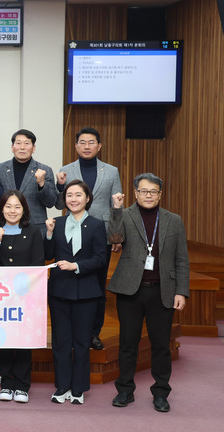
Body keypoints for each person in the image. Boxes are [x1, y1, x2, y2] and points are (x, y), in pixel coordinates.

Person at [108, 173, 189, 413]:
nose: (148, 195)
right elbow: (114, 238)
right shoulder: (125, 215)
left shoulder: (174, 220)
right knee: (128, 343)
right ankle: (125, 390)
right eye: (144, 191)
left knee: (161, 345)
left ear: (160, 194)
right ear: (135, 193)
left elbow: (181, 259)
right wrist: (116, 209)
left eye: (153, 191)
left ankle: (161, 392)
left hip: (163, 291)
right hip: (130, 291)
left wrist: (181, 291)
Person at [55, 127, 123, 350]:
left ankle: (93, 333)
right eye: (82, 142)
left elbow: (116, 205)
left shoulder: (111, 171)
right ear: (76, 146)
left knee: (97, 287)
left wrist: (116, 235)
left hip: (100, 235)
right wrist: (59, 186)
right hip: (71, 234)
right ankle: (72, 332)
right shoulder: (66, 170)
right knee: (70, 284)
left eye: (91, 142)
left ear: (99, 146)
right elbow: (59, 203)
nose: (86, 146)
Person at [44, 180, 106, 405]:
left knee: (81, 342)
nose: (73, 199)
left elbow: (100, 258)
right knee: (61, 342)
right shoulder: (57, 223)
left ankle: (78, 388)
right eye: (69, 195)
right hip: (59, 290)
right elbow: (48, 255)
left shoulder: (97, 225)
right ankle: (62, 386)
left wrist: (76, 266)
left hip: (87, 291)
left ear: (87, 198)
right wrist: (49, 233)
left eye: (78, 195)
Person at [0, 190, 44, 403]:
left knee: (23, 340)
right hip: (1, 298)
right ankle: (7, 383)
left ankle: (22, 385)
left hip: (26, 297)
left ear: (24, 210)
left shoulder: (33, 231)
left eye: (17, 207)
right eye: (8, 206)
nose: (12, 211)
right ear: (1, 209)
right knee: (6, 339)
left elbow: (37, 264)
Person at [0, 129, 57, 230]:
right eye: (18, 143)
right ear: (12, 147)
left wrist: (42, 184)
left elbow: (51, 202)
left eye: (27, 143)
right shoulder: (0, 169)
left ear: (33, 148)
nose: (22, 147)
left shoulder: (44, 170)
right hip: (7, 226)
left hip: (35, 228)